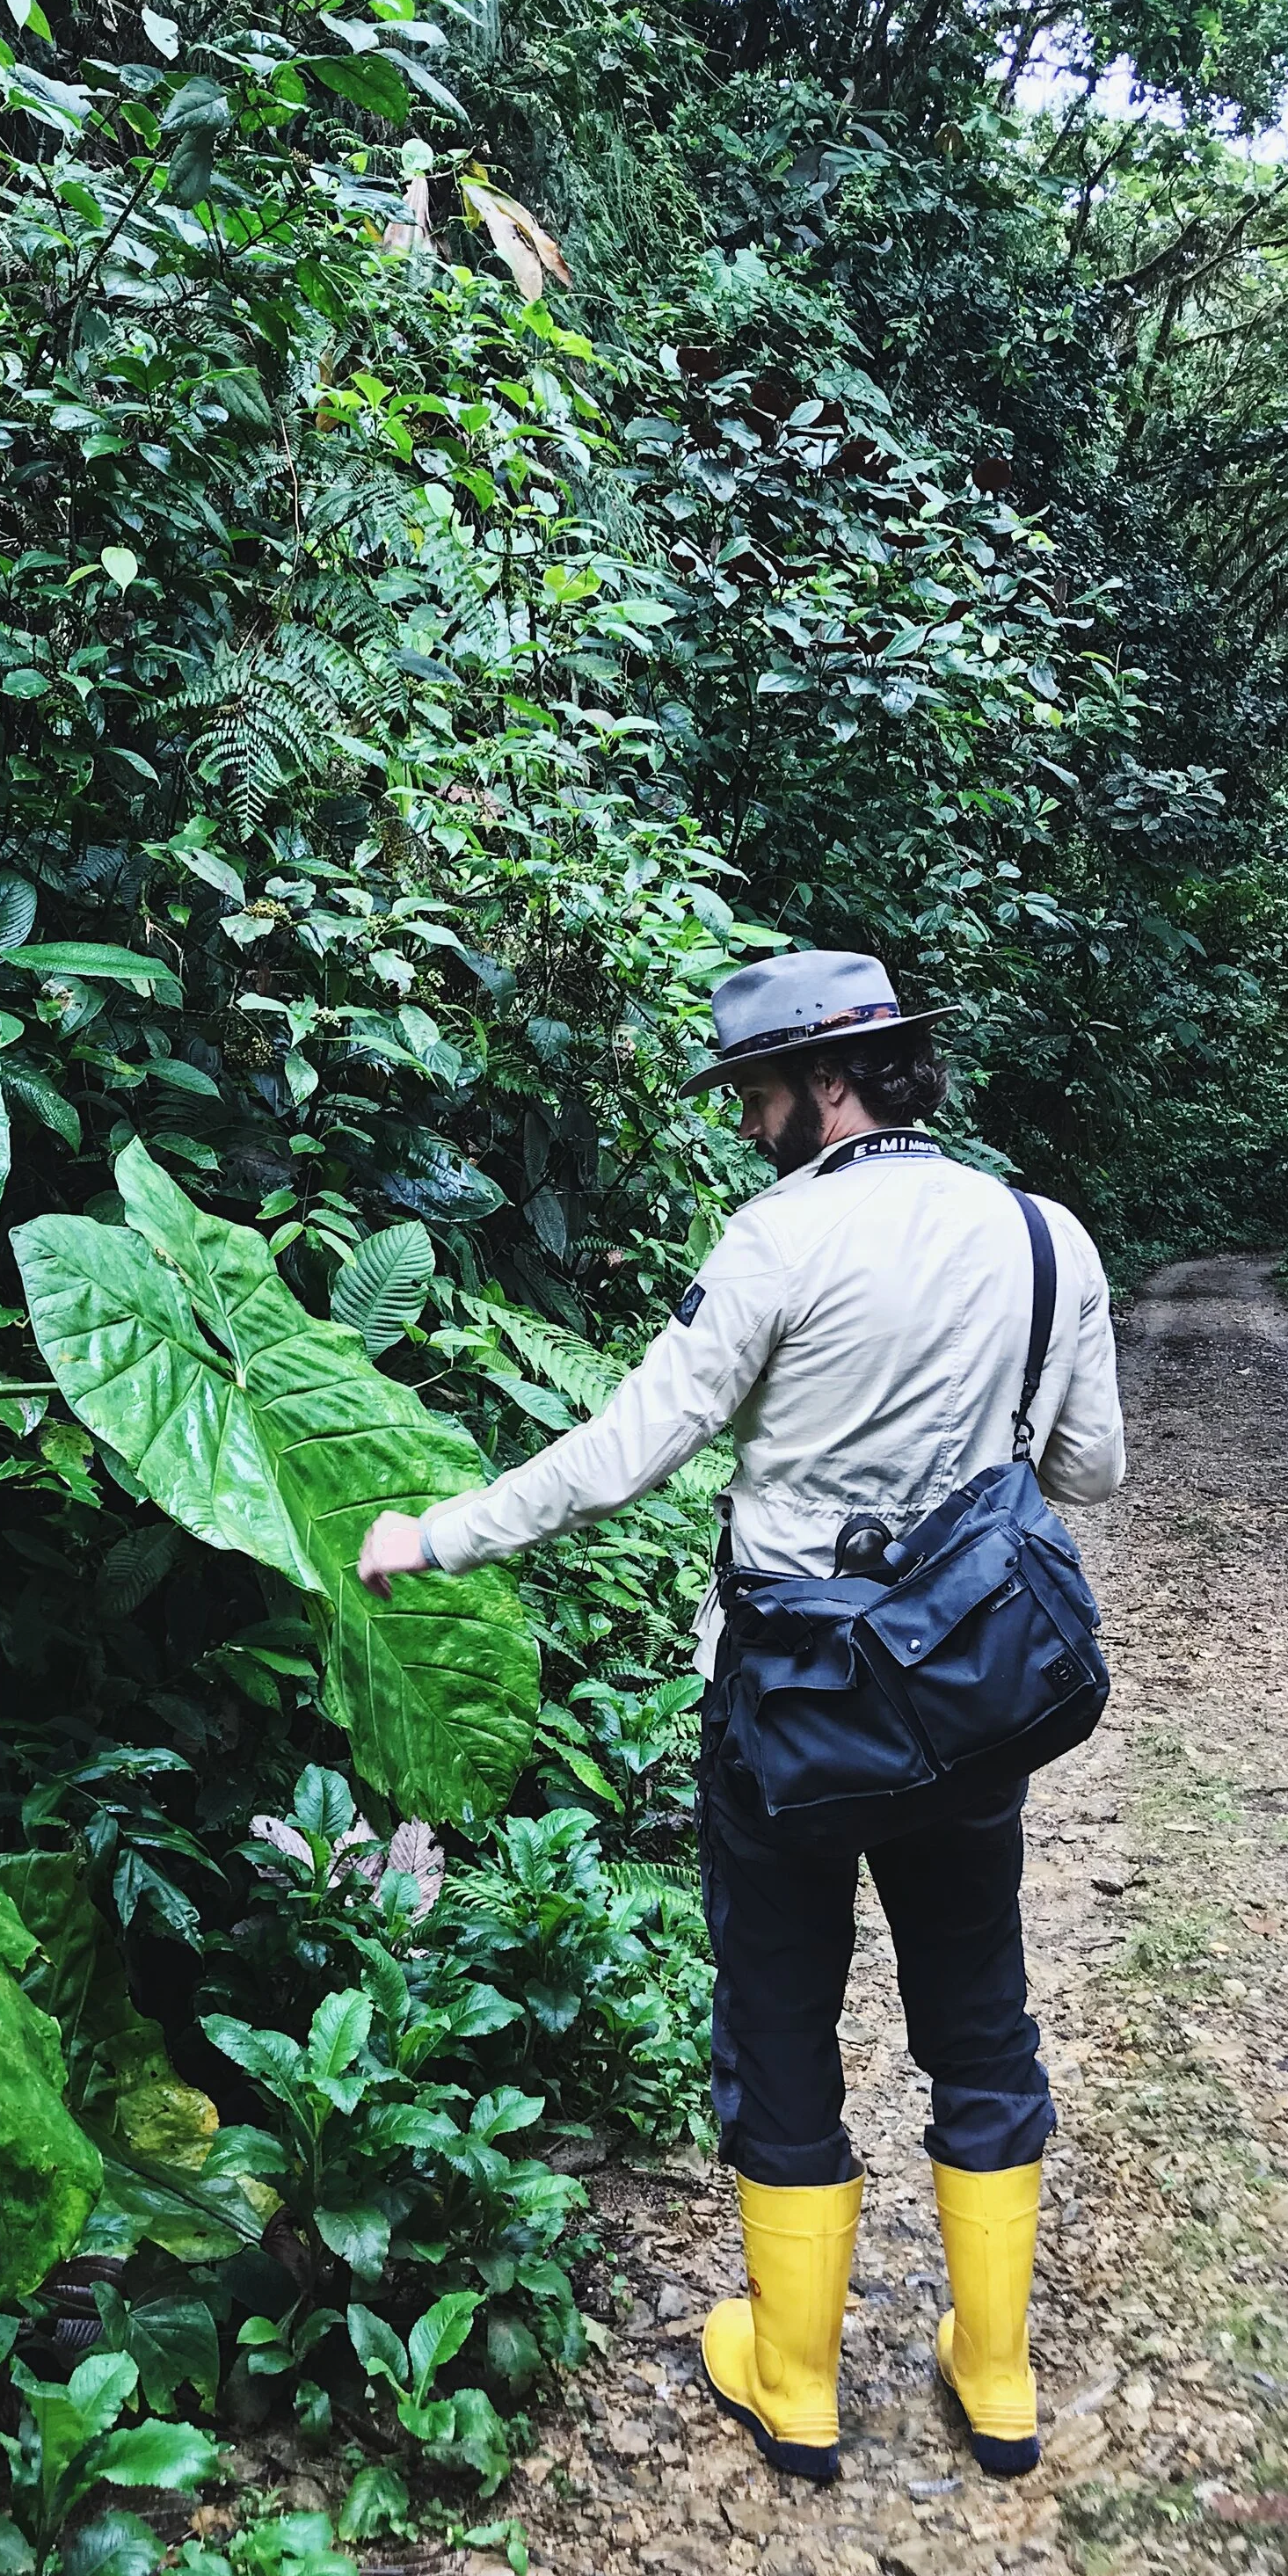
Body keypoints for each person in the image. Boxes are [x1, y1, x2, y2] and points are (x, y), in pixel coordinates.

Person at [356, 949, 1124, 2482]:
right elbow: (1090, 1468)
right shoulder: (1047, 1236)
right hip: (967, 1696)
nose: (748, 1121)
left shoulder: (777, 1242)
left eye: (758, 1091)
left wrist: (435, 1532)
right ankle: (998, 2374)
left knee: (779, 2019)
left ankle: (796, 2383)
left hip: (791, 1699)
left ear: (829, 1081)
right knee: (978, 2012)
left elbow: (630, 1450)